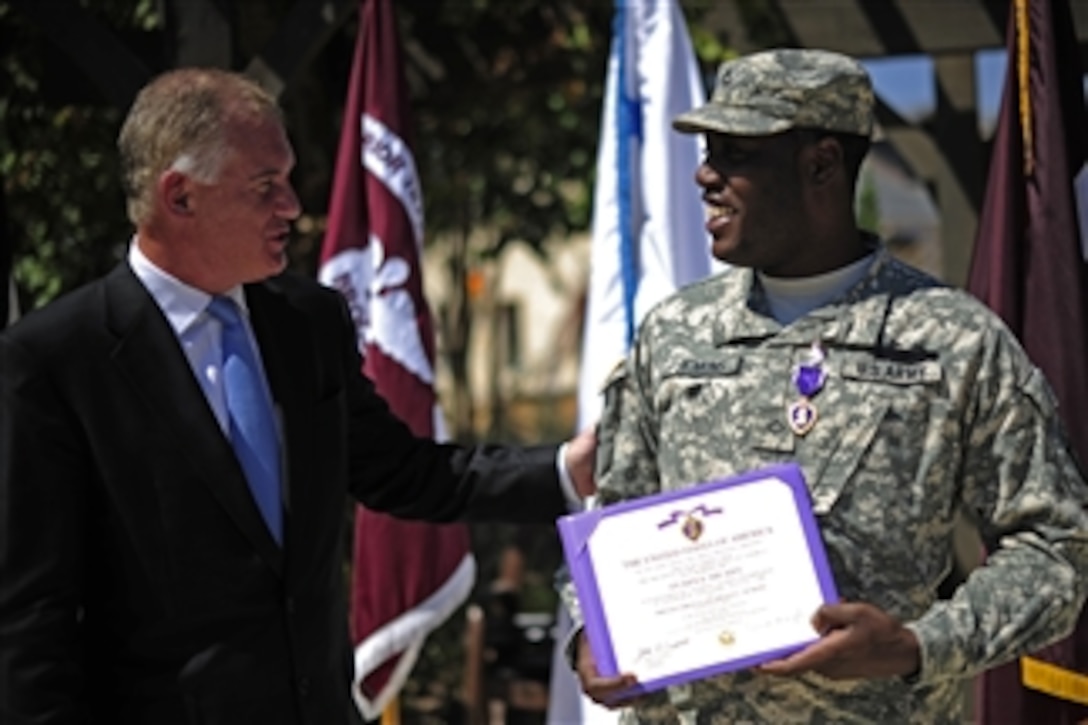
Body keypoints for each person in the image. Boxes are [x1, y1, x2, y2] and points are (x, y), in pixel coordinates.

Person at [0, 67, 596, 725]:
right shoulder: (56, 360)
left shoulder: (306, 322)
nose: (291, 205)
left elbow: (402, 471)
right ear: (180, 196)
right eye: (265, 186)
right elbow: (32, 617)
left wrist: (562, 469)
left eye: (287, 179)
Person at [564, 48, 1088, 723]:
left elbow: (1059, 548)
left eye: (736, 153)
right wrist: (591, 632)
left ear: (821, 164)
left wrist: (917, 645)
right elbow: (614, 523)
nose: (704, 174)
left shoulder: (952, 338)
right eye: (707, 151)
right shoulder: (674, 333)